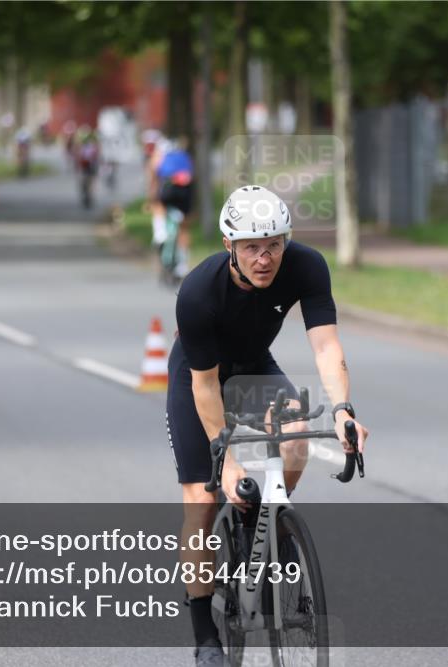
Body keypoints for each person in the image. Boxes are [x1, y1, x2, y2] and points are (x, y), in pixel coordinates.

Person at [166, 185, 370, 666]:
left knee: (298, 430)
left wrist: (343, 410)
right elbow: (206, 386)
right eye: (252, 247)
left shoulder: (307, 266)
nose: (265, 258)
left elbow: (325, 347)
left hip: (254, 365)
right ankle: (205, 637)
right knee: (201, 496)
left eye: (274, 244)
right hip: (201, 377)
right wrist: (230, 462)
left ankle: (271, 528)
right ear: (229, 246)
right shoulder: (197, 292)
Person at [149, 136, 194, 278]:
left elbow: (153, 174)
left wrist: (152, 196)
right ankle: (183, 265)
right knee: (184, 227)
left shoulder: (159, 154)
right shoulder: (184, 156)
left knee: (158, 204)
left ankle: (160, 233)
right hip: (185, 190)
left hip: (168, 189)